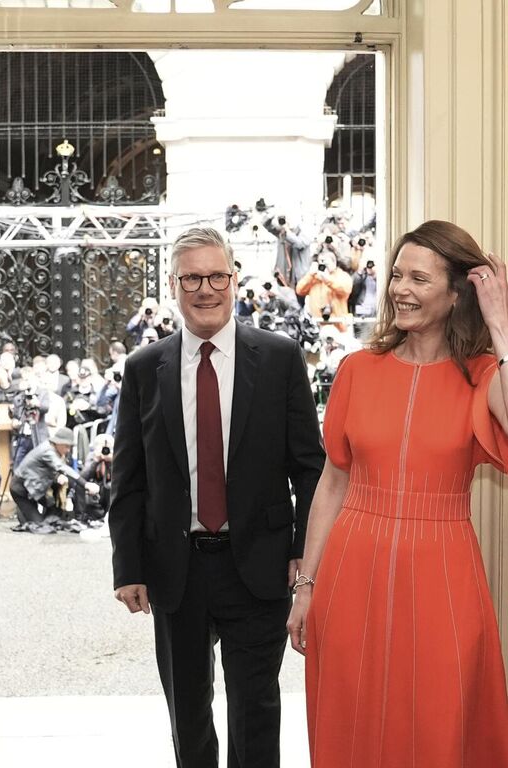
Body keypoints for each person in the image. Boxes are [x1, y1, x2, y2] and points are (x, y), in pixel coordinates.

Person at [287, 219, 508, 767]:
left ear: (456, 295)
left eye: (420, 279)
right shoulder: (358, 369)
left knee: (440, 726)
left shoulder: (481, 375)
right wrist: (306, 587)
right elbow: (332, 484)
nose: (401, 289)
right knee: (352, 720)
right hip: (351, 568)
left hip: (443, 574)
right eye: (397, 275)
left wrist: (500, 322)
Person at [110, 226, 325, 767]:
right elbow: (129, 480)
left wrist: (305, 551)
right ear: (173, 285)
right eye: (192, 278)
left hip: (259, 565)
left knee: (255, 712)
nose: (206, 289)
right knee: (188, 713)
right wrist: (127, 566)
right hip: (176, 569)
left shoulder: (278, 359)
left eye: (217, 276)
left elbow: (310, 467)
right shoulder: (144, 370)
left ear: (234, 280)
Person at [10, 425, 95, 534]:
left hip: (35, 487)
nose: (68, 450)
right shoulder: (47, 451)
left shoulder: (56, 451)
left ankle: (49, 516)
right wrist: (85, 484)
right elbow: (61, 467)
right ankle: (30, 516)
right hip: (21, 490)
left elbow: (49, 470)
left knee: (51, 522)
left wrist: (59, 476)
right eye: (66, 446)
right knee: (40, 526)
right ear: (58, 443)